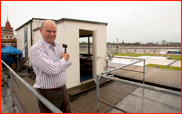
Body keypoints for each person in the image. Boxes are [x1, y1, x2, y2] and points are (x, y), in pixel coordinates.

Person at [29, 20, 72, 113]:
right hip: (48, 93)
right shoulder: (36, 49)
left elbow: (69, 62)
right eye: (48, 31)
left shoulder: (58, 45)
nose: (52, 34)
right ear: (41, 31)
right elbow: (52, 69)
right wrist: (63, 61)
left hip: (63, 89)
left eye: (54, 31)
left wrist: (60, 64)